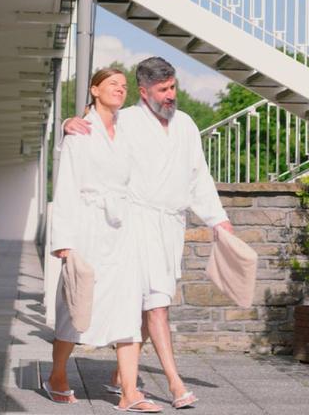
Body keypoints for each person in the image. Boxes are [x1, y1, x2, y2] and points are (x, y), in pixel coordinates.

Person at [64, 57, 233, 410]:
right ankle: (175, 384)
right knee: (156, 306)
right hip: (134, 224)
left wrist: (217, 219)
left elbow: (198, 176)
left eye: (173, 87)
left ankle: (118, 377)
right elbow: (94, 135)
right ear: (144, 91)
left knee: (147, 305)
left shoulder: (186, 124)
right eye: (163, 90)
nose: (171, 95)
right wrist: (70, 122)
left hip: (171, 225)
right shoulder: (125, 121)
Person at [48, 68, 160, 413]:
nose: (120, 90)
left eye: (124, 86)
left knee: (128, 306)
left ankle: (129, 392)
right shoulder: (80, 132)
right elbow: (66, 185)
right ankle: (57, 376)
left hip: (124, 230)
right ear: (94, 89)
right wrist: (64, 241)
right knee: (77, 306)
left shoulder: (128, 131)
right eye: (113, 84)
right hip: (88, 227)